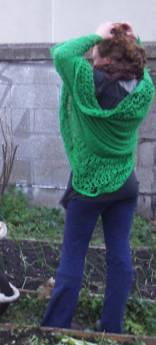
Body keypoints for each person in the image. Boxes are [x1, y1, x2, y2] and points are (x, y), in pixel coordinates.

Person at [41, 22, 154, 333]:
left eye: (95, 53)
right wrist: (127, 38)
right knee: (119, 255)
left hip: (90, 186)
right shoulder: (143, 88)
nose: (90, 55)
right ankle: (112, 326)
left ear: (104, 59)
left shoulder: (85, 81)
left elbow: (62, 53)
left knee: (73, 256)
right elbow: (138, 60)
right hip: (125, 184)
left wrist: (98, 34)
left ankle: (57, 324)